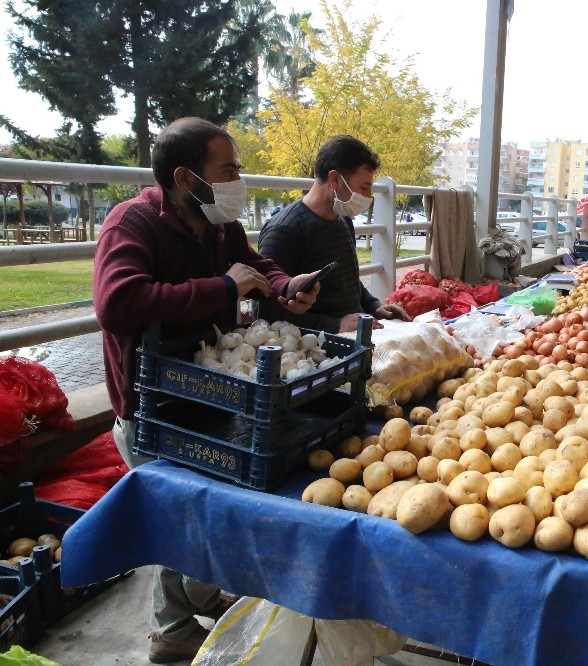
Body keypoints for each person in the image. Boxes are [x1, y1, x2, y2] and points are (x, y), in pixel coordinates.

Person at [93, 117, 322, 664]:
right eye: (229, 169)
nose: (238, 179)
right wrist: (221, 287)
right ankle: (171, 632)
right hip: (151, 399)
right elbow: (117, 303)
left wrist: (286, 287)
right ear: (184, 177)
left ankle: (197, 593)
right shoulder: (134, 223)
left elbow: (255, 267)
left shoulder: (218, 226)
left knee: (202, 503)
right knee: (175, 511)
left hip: (207, 387)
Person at [258, 135, 410, 333]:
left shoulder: (343, 218)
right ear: (335, 179)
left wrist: (375, 307)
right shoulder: (284, 230)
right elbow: (268, 315)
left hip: (356, 337)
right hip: (318, 349)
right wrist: (335, 326)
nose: (367, 197)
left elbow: (349, 282)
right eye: (363, 187)